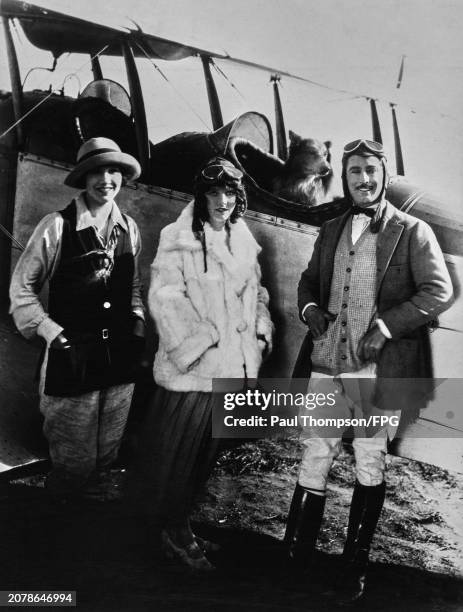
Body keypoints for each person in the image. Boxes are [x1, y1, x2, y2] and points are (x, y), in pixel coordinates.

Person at [286, 139, 453, 602]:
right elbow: (307, 280)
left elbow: (437, 291)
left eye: (371, 171)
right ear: (345, 176)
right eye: (355, 170)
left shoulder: (413, 232)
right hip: (326, 365)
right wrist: (311, 309)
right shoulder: (332, 227)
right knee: (315, 453)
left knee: (368, 459)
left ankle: (352, 567)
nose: (363, 179)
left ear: (384, 174)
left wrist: (386, 324)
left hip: (373, 372)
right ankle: (295, 558)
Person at [130, 156, 273, 571]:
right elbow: (165, 299)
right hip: (193, 374)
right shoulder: (178, 238)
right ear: (201, 194)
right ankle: (170, 534)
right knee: (176, 458)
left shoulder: (242, 239)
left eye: (230, 192)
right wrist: (200, 344)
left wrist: (260, 333)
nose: (222, 200)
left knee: (203, 459)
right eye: (214, 191)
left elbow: (257, 293)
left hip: (232, 370)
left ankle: (180, 527)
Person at [9, 137, 145, 502]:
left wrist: (136, 320)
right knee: (73, 462)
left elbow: (132, 284)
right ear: (84, 178)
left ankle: (91, 539)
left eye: (113, 170)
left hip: (118, 360)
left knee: (105, 457)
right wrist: (53, 333)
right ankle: (55, 539)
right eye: (97, 171)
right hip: (71, 358)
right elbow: (22, 290)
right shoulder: (56, 226)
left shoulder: (129, 228)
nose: (106, 179)